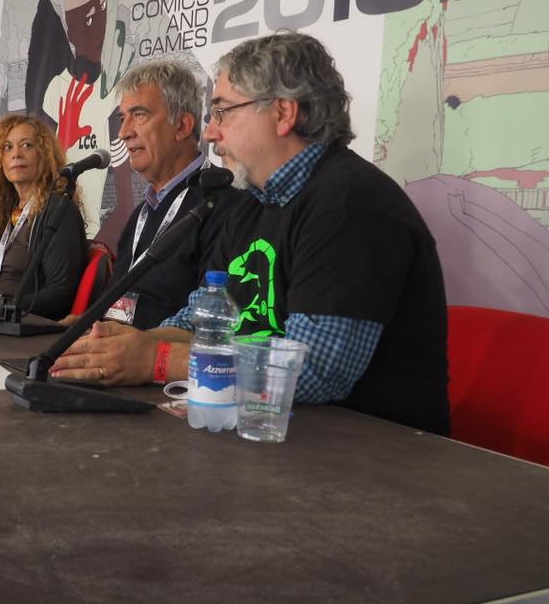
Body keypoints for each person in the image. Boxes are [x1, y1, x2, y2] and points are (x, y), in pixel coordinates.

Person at [50, 32, 451, 435]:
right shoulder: (250, 205)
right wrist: (129, 344)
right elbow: (199, 321)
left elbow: (315, 370)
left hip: (370, 451)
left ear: (283, 113)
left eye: (223, 112)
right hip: (271, 434)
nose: (210, 132)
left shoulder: (351, 204)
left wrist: (157, 359)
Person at [93, 60, 241, 330]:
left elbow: (210, 321)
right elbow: (114, 300)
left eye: (139, 115)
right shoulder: (140, 214)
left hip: (160, 354)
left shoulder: (221, 205)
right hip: (112, 346)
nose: (124, 132)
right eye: (122, 118)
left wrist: (143, 345)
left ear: (182, 126)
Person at [0, 114, 87, 320]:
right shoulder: (1, 212)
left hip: (21, 324)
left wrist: (4, 308)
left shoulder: (59, 210)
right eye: (7, 147)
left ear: (44, 156)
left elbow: (60, 293)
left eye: (27, 145)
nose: (16, 154)